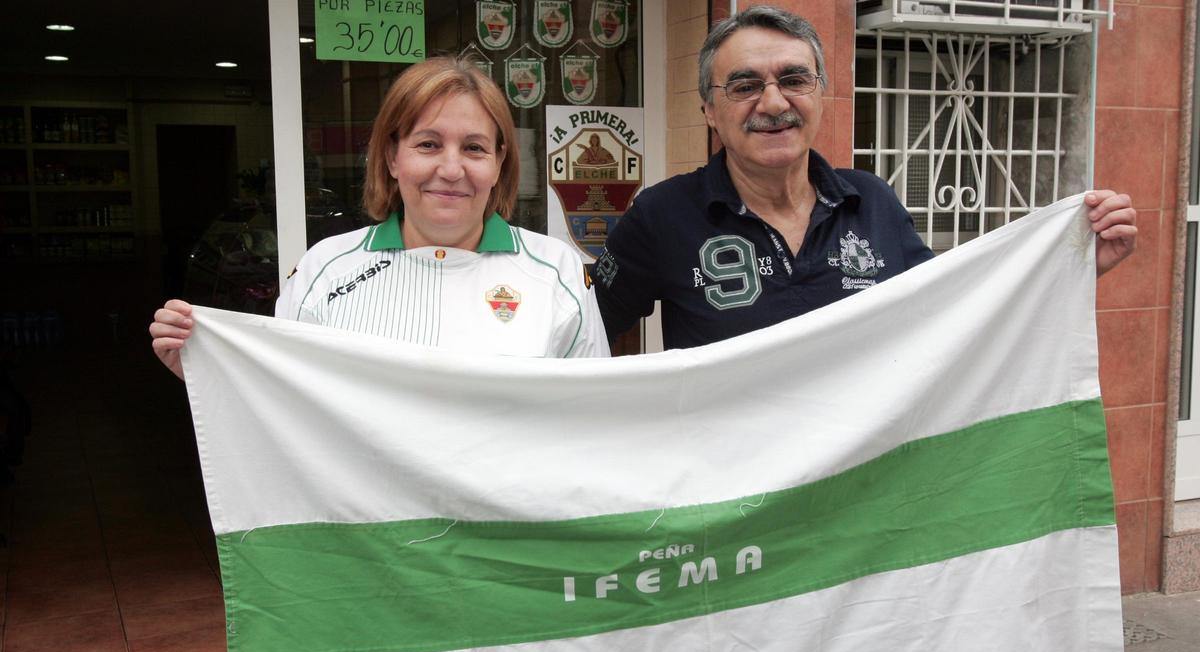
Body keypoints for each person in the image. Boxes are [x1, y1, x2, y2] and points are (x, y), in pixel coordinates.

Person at [592, 6, 1137, 350]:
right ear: (709, 109)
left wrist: (1073, 265)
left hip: (860, 502)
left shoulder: (872, 201)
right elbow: (584, 333)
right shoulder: (660, 216)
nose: (774, 102)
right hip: (735, 507)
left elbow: (954, 310)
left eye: (794, 79)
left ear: (820, 95)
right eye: (744, 85)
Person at [151, 57, 609, 377]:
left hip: (512, 517)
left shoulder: (558, 272)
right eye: (427, 144)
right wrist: (206, 371)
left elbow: (595, 413)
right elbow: (282, 400)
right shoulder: (324, 270)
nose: (451, 170)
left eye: (474, 147)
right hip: (369, 519)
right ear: (392, 157)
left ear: (499, 162)